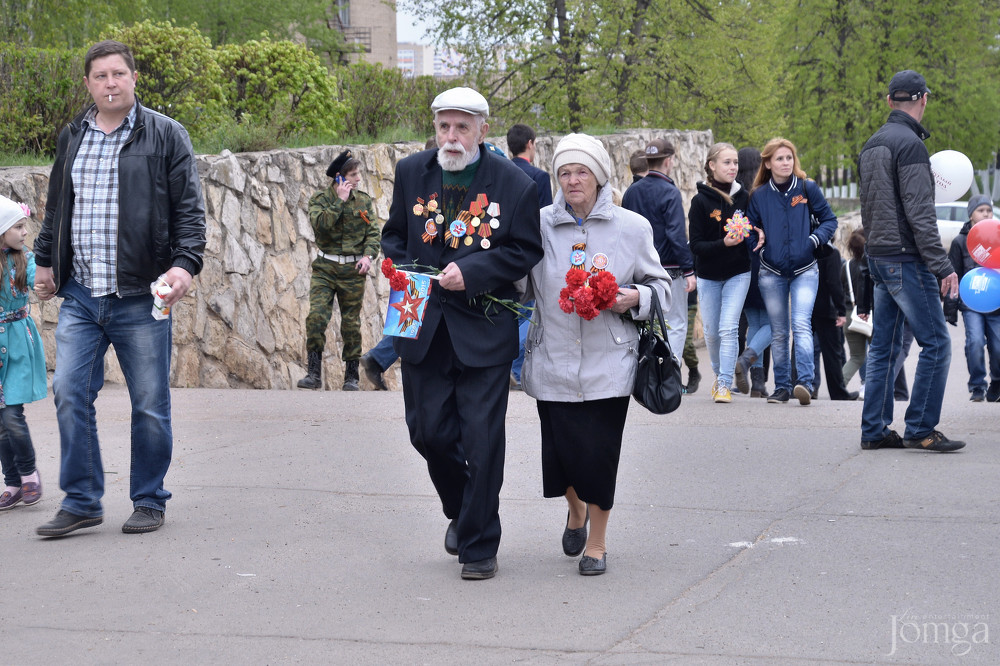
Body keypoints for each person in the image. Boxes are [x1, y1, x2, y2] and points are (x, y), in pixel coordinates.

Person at [33, 40, 207, 536]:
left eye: (118, 74)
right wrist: (46, 262)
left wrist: (184, 267)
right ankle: (83, 500)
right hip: (83, 295)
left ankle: (149, 498)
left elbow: (189, 214)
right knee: (67, 391)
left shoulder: (167, 135)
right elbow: (57, 208)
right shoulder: (73, 136)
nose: (110, 83)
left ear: (134, 78)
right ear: (88, 84)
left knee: (149, 403)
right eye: (100, 76)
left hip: (141, 298)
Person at [380, 87, 543, 580]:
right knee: (426, 431)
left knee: (482, 438)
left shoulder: (514, 184)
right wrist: (400, 267)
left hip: (483, 328)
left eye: (462, 128)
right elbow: (393, 234)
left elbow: (523, 251)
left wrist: (471, 271)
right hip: (421, 323)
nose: (451, 137)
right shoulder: (412, 172)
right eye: (444, 127)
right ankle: (463, 507)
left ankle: (479, 545)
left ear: (482, 130)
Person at [521, 133, 670, 575]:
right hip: (554, 361)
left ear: (600, 176)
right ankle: (576, 510)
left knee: (600, 458)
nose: (572, 181)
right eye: (564, 173)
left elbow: (661, 287)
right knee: (562, 460)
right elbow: (519, 285)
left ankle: (598, 545)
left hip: (611, 364)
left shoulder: (631, 227)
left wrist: (632, 297)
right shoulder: (539, 225)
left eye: (581, 172)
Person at [857, 69, 963, 452]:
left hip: (880, 257)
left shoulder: (871, 144)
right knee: (937, 342)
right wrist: (943, 265)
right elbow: (920, 214)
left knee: (883, 347)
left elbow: (870, 212)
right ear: (924, 98)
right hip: (905, 258)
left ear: (889, 102)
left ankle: (874, 430)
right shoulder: (912, 146)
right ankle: (920, 428)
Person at [747, 138, 837, 405]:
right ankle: (782, 387)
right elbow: (748, 228)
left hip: (805, 269)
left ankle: (805, 384)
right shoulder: (760, 195)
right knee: (779, 331)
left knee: (801, 324)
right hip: (771, 272)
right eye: (779, 158)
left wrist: (813, 241)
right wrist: (759, 248)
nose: (785, 163)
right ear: (767, 163)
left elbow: (829, 220)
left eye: (789, 158)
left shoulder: (807, 188)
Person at [297, 150, 381, 391]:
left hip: (353, 271)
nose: (358, 179)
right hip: (325, 268)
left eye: (358, 174)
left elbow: (373, 233)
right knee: (316, 317)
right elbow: (320, 226)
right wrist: (339, 202)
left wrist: (368, 256)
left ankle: (351, 377)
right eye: (353, 175)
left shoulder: (363, 201)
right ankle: (313, 374)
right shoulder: (320, 200)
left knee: (351, 323)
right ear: (339, 178)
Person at [688, 143, 762, 403]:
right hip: (708, 276)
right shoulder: (699, 201)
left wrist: (757, 231)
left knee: (729, 328)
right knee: (711, 332)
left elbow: (754, 224)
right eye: (727, 163)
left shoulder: (744, 197)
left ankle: (723, 384)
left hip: (738, 273)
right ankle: (720, 375)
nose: (733, 168)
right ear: (712, 165)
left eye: (735, 163)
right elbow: (695, 245)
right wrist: (724, 244)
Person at [622, 138, 696, 362]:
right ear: (668, 161)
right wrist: (689, 269)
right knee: (675, 324)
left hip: (639, 269)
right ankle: (668, 376)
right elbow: (676, 234)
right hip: (669, 269)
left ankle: (649, 371)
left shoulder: (632, 192)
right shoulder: (670, 191)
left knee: (647, 323)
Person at [0, 197, 47, 511]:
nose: (24, 231)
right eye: (17, 226)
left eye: (24, 225)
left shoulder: (25, 259)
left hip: (16, 344)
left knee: (11, 415)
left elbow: (37, 280)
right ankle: (13, 482)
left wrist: (44, 287)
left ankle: (29, 473)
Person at [507, 123, 552, 389]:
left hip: (502, 248)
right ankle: (516, 367)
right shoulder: (539, 176)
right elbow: (543, 218)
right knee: (527, 310)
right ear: (531, 144)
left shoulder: (501, 172)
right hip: (528, 250)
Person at [944, 194, 1000, 402]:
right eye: (981, 210)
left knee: (998, 346)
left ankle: (997, 381)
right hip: (971, 304)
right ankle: (977, 384)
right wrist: (950, 308)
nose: (986, 214)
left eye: (989, 210)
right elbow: (954, 275)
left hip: (996, 305)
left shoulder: (998, 238)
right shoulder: (960, 241)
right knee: (975, 342)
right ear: (971, 215)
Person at [735, 147, 771, 397]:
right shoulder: (764, 194)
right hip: (767, 264)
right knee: (776, 324)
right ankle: (749, 363)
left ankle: (757, 383)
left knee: (755, 325)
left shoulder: (736, 196)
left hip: (742, 266)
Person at [811, 244, 858, 400]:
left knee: (802, 347)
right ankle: (838, 391)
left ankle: (800, 384)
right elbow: (834, 282)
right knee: (832, 353)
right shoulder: (831, 252)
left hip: (806, 305)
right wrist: (841, 309)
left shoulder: (805, 250)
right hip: (826, 307)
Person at [841, 228, 872, 395]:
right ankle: (870, 388)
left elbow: (841, 289)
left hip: (850, 315)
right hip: (870, 315)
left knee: (856, 357)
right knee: (877, 353)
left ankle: (839, 386)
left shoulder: (846, 267)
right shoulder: (872, 265)